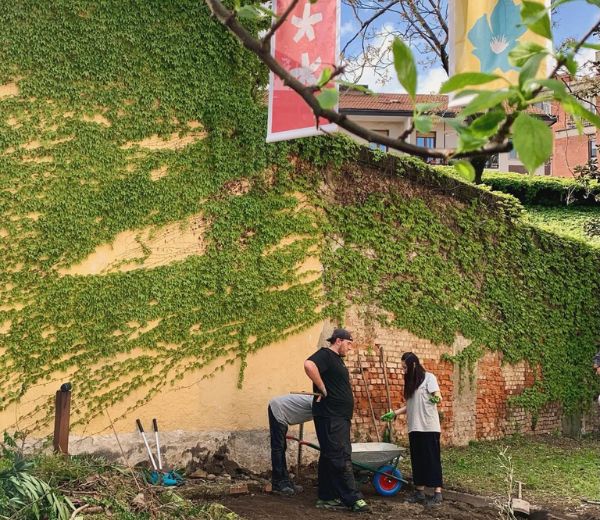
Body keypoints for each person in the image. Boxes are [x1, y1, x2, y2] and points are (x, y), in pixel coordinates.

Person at [304, 329, 371, 513]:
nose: (349, 348)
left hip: (338, 416)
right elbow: (309, 365)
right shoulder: (326, 354)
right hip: (330, 414)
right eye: (348, 344)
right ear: (338, 340)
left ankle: (327, 497)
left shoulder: (336, 360)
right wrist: (322, 387)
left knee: (329, 455)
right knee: (340, 455)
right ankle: (353, 499)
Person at [381, 351, 443, 506]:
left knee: (432, 460)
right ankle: (419, 492)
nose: (404, 370)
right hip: (414, 427)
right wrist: (394, 413)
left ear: (413, 364)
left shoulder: (429, 378)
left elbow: (438, 395)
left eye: (405, 367)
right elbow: (410, 406)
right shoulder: (410, 383)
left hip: (429, 427)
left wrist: (437, 398)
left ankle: (437, 494)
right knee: (418, 461)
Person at [268, 393, 313, 495]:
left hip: (283, 412)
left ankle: (285, 481)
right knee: (278, 448)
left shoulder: (320, 402)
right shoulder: (317, 403)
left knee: (282, 447)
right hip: (278, 409)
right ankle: (277, 483)